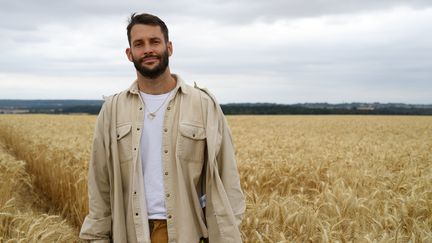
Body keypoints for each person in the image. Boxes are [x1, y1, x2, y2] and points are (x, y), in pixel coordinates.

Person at [79, 13, 245, 243]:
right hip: (132, 233)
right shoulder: (112, 110)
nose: (148, 49)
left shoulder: (203, 105)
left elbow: (228, 179)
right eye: (139, 44)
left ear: (169, 47)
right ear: (129, 54)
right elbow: (100, 184)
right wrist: (96, 237)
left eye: (154, 42)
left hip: (188, 233)